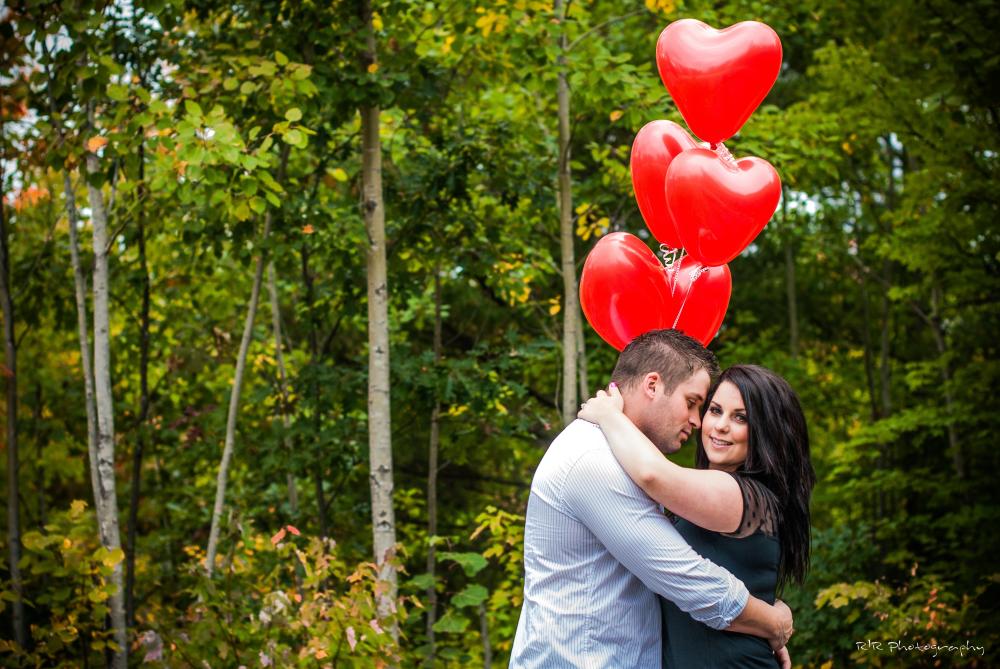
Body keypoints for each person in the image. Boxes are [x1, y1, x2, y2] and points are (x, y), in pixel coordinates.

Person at [510, 330, 793, 668]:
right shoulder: (595, 461)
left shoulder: (624, 456)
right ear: (653, 385)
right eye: (693, 403)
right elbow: (688, 579)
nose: (699, 421)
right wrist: (772, 622)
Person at [578, 363, 816, 668]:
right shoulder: (722, 495)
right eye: (715, 410)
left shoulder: (743, 495)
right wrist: (770, 618)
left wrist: (610, 415)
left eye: (740, 417)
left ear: (765, 431)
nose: (719, 426)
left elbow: (652, 473)